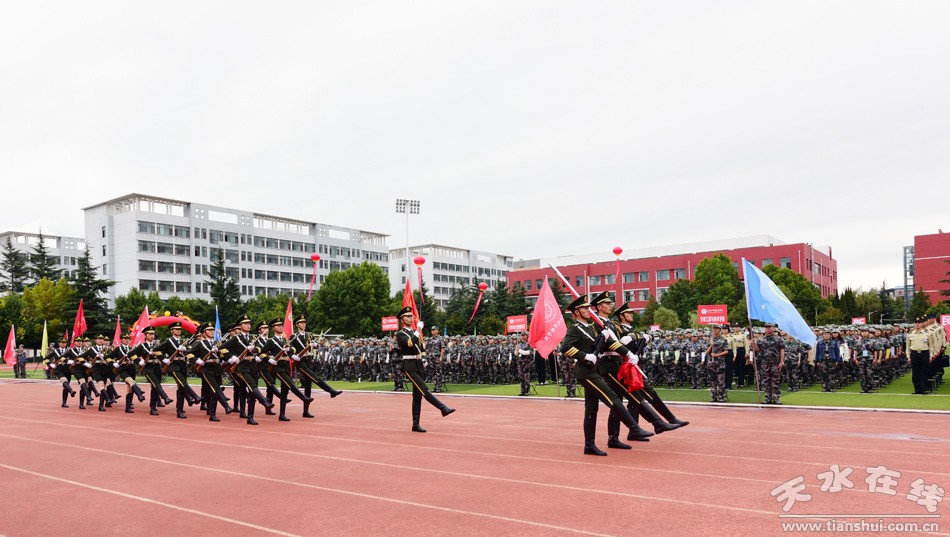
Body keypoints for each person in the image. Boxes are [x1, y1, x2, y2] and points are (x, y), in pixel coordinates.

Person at [559, 296, 646, 456]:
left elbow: (604, 345)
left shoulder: (591, 328)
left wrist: (623, 349)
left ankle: (589, 445)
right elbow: (565, 347)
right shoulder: (575, 329)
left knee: (592, 409)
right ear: (576, 312)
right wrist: (585, 356)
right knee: (612, 398)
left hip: (594, 370)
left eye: (588, 308)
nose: (588, 310)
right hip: (585, 372)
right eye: (585, 308)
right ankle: (634, 427)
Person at [394, 306, 454, 432]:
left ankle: (415, 424)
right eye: (407, 317)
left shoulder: (414, 333)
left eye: (411, 316)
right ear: (402, 320)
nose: (411, 318)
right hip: (409, 365)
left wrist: (424, 358)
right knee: (424, 388)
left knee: (417, 396)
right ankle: (442, 408)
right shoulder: (400, 334)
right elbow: (410, 343)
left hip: (418, 364)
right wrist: (418, 329)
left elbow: (422, 348)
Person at [288, 314, 341, 419]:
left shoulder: (309, 335)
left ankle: (306, 411)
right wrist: (293, 356)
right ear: (297, 325)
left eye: (304, 322)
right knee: (314, 376)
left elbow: (317, 347)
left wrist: (315, 345)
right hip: (300, 361)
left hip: (309, 360)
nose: (304, 324)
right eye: (301, 323)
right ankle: (330, 391)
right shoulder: (293, 336)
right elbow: (289, 348)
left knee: (308, 386)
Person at [154, 321, 201, 418]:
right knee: (183, 383)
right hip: (173, 366)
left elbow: (189, 350)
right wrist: (164, 359)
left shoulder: (183, 341)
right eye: (176, 329)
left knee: (181, 389)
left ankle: (180, 410)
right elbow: (156, 350)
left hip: (183, 366)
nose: (179, 331)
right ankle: (195, 396)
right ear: (172, 331)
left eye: (179, 329)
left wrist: (185, 349)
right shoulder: (168, 341)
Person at [188, 323, 232, 421]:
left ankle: (212, 414)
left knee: (214, 392)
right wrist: (197, 360)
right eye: (209, 330)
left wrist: (227, 359)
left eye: (213, 330)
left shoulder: (218, 343)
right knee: (216, 388)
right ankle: (226, 406)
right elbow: (188, 353)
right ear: (204, 333)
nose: (212, 332)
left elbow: (222, 355)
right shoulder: (200, 343)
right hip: (206, 369)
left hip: (217, 369)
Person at [128, 327, 174, 415]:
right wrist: (139, 361)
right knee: (156, 383)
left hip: (157, 367)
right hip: (148, 368)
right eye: (150, 334)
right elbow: (131, 354)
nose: (152, 336)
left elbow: (164, 352)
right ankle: (165, 397)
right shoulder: (142, 346)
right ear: (145, 335)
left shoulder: (157, 345)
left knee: (155, 388)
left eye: (153, 334)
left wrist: (162, 357)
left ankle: (153, 408)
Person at [107, 332, 146, 413]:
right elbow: (108, 357)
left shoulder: (132, 349)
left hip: (131, 368)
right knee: (131, 381)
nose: (127, 340)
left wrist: (139, 361)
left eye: (128, 339)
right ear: (121, 340)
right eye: (125, 339)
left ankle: (128, 407)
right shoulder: (117, 349)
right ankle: (139, 393)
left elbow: (136, 357)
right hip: (122, 369)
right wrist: (113, 363)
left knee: (130, 388)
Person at [751, 323, 785, 404]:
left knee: (775, 380)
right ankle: (767, 398)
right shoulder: (761, 339)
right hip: (765, 363)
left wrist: (782, 361)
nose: (768, 329)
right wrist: (753, 344)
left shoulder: (778, 339)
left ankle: (776, 397)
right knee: (766, 380)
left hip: (775, 363)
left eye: (769, 327)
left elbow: (782, 350)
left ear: (773, 328)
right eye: (766, 327)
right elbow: (758, 350)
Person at [47, 337, 76, 407]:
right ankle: (71, 391)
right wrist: (50, 364)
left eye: (65, 343)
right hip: (59, 369)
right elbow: (45, 358)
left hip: (67, 369)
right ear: (59, 343)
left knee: (65, 386)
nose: (64, 344)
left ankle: (64, 403)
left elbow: (75, 357)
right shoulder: (55, 351)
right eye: (62, 342)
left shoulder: (69, 350)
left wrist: (73, 362)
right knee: (64, 381)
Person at [906, 317, 931, 394]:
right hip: (914, 354)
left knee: (924, 372)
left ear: (922, 324)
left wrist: (931, 355)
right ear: (914, 324)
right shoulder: (910, 334)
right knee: (915, 372)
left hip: (924, 353)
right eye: (916, 323)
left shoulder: (927, 334)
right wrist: (908, 356)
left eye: (919, 323)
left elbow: (931, 346)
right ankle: (917, 389)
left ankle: (923, 389)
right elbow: (907, 347)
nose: (917, 324)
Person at [706, 324, 729, 402]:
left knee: (720, 380)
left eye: (716, 328)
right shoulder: (710, 340)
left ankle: (721, 396)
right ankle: (713, 396)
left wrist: (717, 355)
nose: (715, 330)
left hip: (720, 363)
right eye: (714, 328)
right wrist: (711, 345)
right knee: (712, 381)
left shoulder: (723, 340)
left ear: (719, 330)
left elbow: (726, 351)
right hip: (711, 363)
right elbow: (706, 352)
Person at [427, 326, 446, 393]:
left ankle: (439, 387)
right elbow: (428, 348)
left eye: (434, 330)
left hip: (437, 357)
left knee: (438, 372)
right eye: (432, 330)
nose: (433, 331)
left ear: (437, 331)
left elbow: (442, 348)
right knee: (433, 373)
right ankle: (435, 386)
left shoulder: (440, 339)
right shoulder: (430, 339)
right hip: (431, 358)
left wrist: (441, 357)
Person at [515, 332, 534, 396]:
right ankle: (522, 390)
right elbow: (516, 354)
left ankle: (526, 391)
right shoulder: (520, 344)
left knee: (526, 376)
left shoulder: (530, 343)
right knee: (521, 377)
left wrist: (519, 350)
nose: (522, 336)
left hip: (527, 362)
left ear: (527, 336)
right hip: (520, 362)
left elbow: (528, 352)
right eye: (522, 335)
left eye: (524, 335)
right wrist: (516, 350)